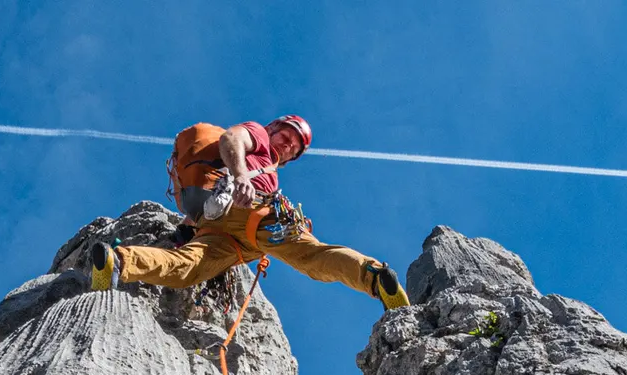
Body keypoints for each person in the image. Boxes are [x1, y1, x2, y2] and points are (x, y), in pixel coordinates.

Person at [87, 115, 411, 310]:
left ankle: (118, 262)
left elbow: (200, 207)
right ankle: (375, 278)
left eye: (294, 148)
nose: (287, 145)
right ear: (272, 128)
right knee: (310, 255)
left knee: (189, 267)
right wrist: (242, 175)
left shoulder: (268, 167)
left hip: (220, 228)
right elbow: (231, 138)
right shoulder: (257, 135)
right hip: (251, 211)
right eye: (286, 136)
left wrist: (184, 230)